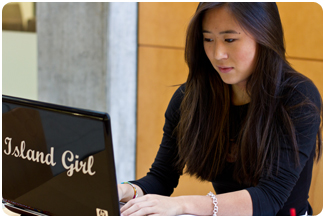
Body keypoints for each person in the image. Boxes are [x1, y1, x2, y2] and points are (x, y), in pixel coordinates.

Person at [118, 2, 322, 216]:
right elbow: (161, 178)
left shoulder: (298, 97)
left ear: (264, 35)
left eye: (229, 39)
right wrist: (124, 190)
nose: (217, 54)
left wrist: (183, 204)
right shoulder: (190, 98)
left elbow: (269, 197)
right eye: (208, 39)